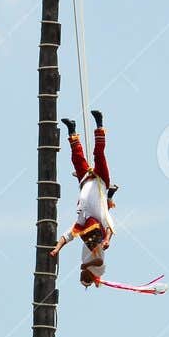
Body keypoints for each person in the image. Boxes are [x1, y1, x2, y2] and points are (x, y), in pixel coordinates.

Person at [51, 111, 117, 288]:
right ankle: (100, 124)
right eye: (87, 279)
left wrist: (57, 249)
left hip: (85, 180)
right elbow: (110, 228)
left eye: (83, 278)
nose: (85, 276)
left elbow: (67, 236)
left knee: (77, 158)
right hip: (101, 181)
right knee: (99, 154)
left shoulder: (81, 222)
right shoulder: (101, 220)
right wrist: (106, 241)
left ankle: (72, 129)